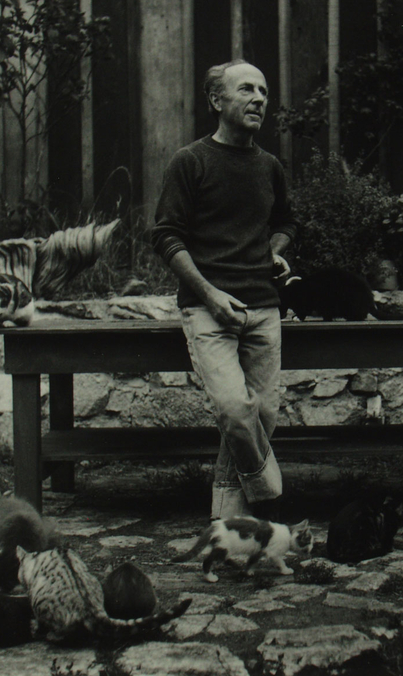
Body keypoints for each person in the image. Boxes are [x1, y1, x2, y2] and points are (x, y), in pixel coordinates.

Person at [149, 60, 297, 521]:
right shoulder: (190, 161)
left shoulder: (269, 166)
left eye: (265, 91)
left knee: (264, 416)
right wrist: (212, 296)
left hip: (264, 307)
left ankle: (228, 524)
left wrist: (275, 248)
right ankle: (268, 490)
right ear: (217, 100)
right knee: (236, 411)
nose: (259, 99)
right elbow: (166, 236)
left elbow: (286, 222)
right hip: (207, 310)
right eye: (247, 89)